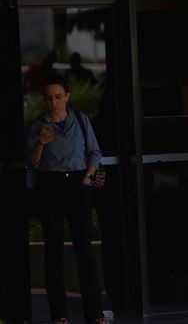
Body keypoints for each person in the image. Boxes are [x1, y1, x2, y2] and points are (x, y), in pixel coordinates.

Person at [25, 75, 108, 324]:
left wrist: (88, 177)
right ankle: (59, 314)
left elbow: (94, 151)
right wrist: (40, 143)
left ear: (67, 97)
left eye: (58, 97)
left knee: (85, 250)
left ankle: (94, 313)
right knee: (54, 251)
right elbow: (32, 162)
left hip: (77, 184)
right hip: (50, 185)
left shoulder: (80, 121)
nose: (54, 102)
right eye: (49, 98)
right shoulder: (37, 126)